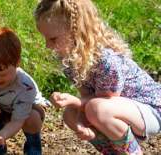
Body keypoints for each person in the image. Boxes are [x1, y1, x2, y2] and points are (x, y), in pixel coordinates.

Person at [34, 0, 161, 154]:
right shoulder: (69, 60)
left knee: (97, 109)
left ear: (77, 32)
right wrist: (80, 123)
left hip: (150, 109)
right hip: (118, 110)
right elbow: (87, 98)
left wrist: (75, 100)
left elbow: (106, 99)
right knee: (70, 113)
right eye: (46, 39)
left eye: (53, 39)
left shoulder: (106, 60)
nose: (48, 46)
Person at [0, 25, 50, 155]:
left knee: (32, 117)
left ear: (17, 63)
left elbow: (17, 121)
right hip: (4, 108)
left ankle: (33, 147)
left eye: (2, 74)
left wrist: (2, 135)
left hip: (27, 111)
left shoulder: (25, 86)